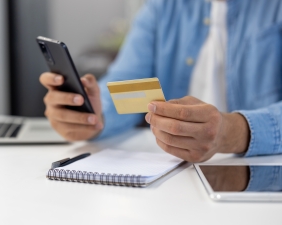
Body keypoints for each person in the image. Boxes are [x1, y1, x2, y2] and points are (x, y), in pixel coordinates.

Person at [39, 0, 282, 162]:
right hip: (171, 177)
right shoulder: (162, 6)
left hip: (258, 175)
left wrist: (232, 131)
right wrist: (95, 114)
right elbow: (126, 82)